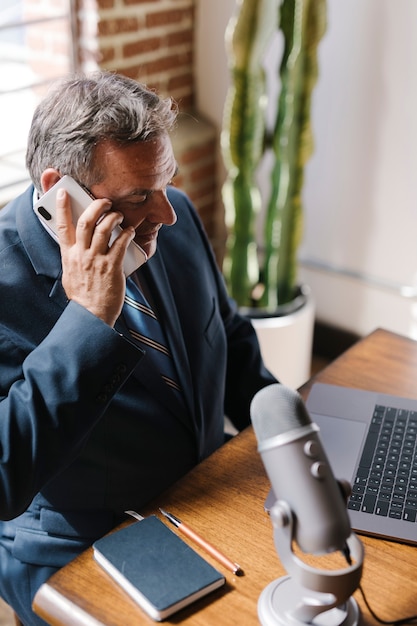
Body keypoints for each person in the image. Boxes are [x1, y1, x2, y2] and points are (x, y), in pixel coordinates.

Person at [0, 71, 277, 625]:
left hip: (202, 495)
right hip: (81, 543)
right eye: (138, 196)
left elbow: (231, 337)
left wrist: (290, 437)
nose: (166, 214)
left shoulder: (175, 217)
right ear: (61, 193)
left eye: (166, 181)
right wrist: (87, 319)